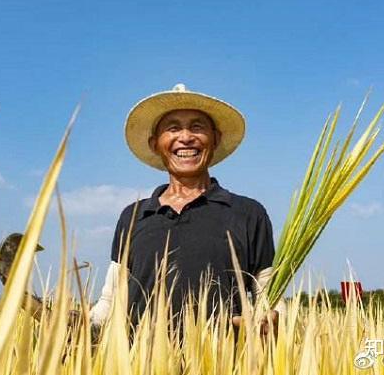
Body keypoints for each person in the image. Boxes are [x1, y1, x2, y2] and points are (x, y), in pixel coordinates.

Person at [89, 83, 280, 331]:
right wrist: (77, 325)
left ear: (215, 139)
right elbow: (109, 302)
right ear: (154, 143)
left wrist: (269, 321)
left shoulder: (248, 214)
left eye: (197, 127)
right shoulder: (133, 216)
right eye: (173, 128)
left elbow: (268, 298)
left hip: (223, 364)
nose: (186, 137)